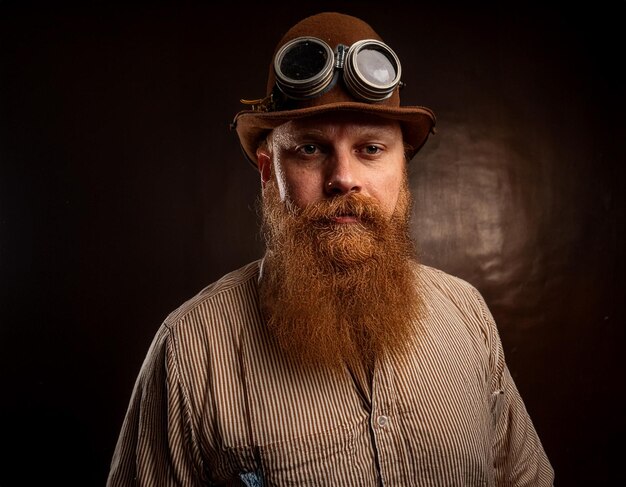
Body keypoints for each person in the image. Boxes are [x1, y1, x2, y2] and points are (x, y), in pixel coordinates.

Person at [107, 12, 554, 486]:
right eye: (311, 149)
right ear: (267, 172)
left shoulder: (466, 315)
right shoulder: (189, 348)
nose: (344, 178)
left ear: (402, 169)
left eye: (371, 149)